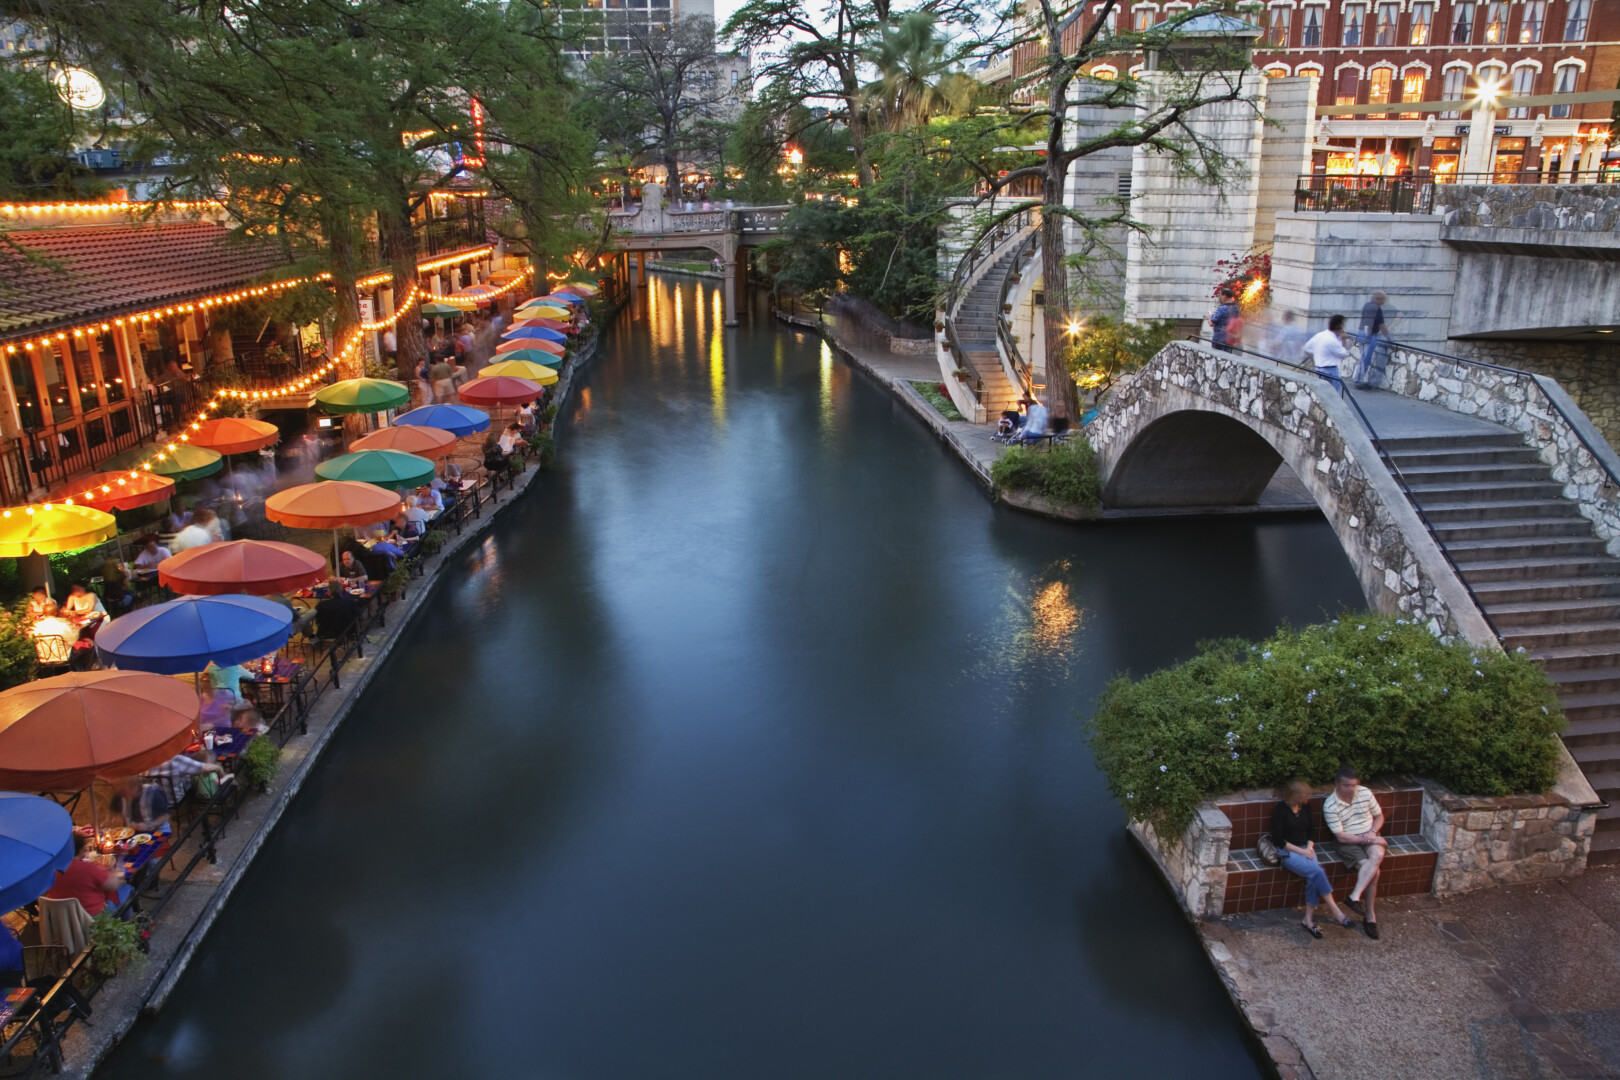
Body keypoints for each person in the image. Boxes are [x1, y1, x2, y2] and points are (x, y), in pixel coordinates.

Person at [1272, 781, 1354, 938]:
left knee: (1314, 875)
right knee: (1317, 871)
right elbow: (1278, 839)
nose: (1307, 798)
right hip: (1289, 851)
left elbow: (1312, 832)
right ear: (1294, 796)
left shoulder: (1306, 808)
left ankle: (1308, 920)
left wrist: (1309, 848)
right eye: (1303, 795)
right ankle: (1335, 911)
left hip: (1306, 848)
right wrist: (1302, 852)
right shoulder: (1280, 810)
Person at [1323, 766, 1385, 940]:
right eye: (1347, 785)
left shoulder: (1365, 793)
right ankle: (1370, 917)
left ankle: (1354, 896)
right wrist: (1371, 839)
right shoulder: (1330, 805)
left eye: (1354, 785)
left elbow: (1379, 816)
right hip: (1349, 842)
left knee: (1377, 856)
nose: (1352, 789)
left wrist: (1372, 833)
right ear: (1337, 784)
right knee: (1374, 871)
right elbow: (1341, 837)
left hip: (1369, 835)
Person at [43, 834, 123, 917]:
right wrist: (115, 873)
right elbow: (113, 886)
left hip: (62, 918)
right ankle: (129, 924)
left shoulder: (50, 869)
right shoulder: (88, 868)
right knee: (127, 889)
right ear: (81, 849)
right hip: (91, 918)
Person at [146, 749, 225, 805]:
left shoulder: (143, 762)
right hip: (175, 798)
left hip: (153, 801)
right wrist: (220, 770)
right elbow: (204, 767)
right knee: (190, 773)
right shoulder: (176, 760)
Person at [1303, 315, 1352, 392]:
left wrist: (1314, 359)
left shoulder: (1320, 335)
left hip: (1319, 368)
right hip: (1330, 371)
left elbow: (1306, 347)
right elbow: (1343, 354)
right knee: (1333, 394)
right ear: (1339, 327)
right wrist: (1343, 340)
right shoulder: (1332, 340)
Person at [1355, 291, 1391, 389]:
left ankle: (1358, 379)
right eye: (1383, 299)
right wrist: (1388, 338)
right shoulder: (1377, 308)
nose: (1384, 301)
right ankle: (1361, 381)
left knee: (1362, 358)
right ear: (1378, 299)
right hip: (1370, 335)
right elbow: (1382, 325)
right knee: (1366, 359)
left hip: (1361, 333)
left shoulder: (1366, 305)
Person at [1210, 288, 1241, 353]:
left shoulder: (1222, 308)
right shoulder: (1236, 308)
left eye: (1221, 296)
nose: (1220, 298)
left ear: (1224, 296)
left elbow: (1212, 323)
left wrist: (1209, 317)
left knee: (1216, 357)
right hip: (1230, 338)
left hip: (1219, 338)